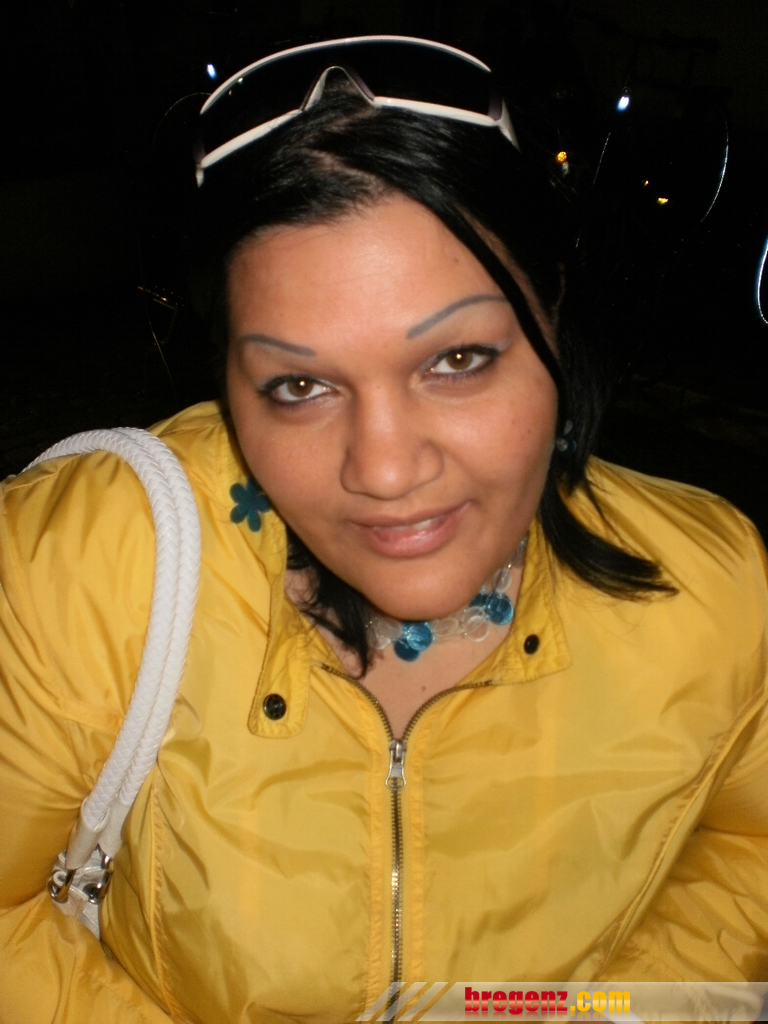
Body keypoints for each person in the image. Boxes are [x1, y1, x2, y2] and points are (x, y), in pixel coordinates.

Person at [1, 36, 768, 1024]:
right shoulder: (77, 563)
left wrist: (583, 1015)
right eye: (299, 385)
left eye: (457, 360)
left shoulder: (713, 588)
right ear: (226, 377)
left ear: (553, 310)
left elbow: (746, 853)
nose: (387, 470)